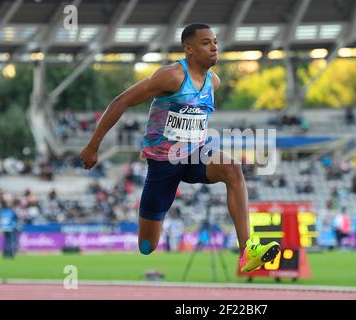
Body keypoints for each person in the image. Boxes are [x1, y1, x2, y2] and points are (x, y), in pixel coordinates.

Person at [80, 23, 280, 272]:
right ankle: (148, 225)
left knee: (232, 168)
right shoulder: (172, 76)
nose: (214, 47)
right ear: (189, 49)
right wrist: (92, 145)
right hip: (164, 162)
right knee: (147, 245)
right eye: (206, 43)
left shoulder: (213, 82)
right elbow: (122, 101)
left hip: (196, 154)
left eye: (215, 42)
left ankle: (247, 250)